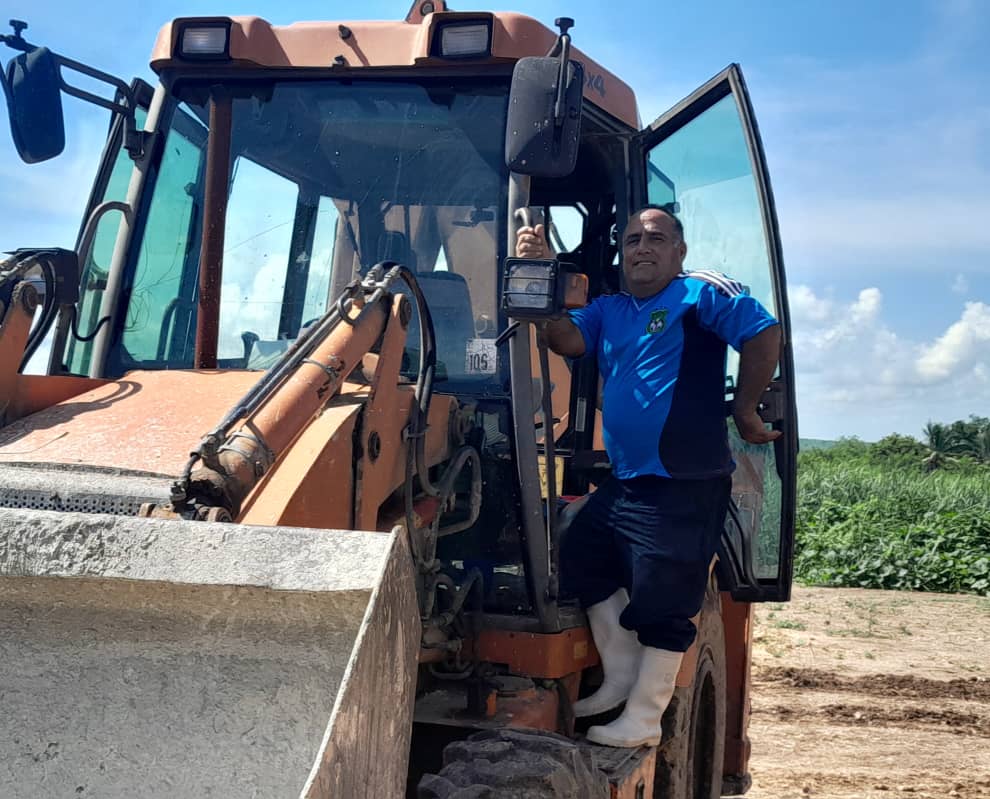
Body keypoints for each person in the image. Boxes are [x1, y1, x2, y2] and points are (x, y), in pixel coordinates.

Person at [515, 205, 781, 748]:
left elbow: (762, 332)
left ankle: (644, 719)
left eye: (657, 238)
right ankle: (618, 678)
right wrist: (540, 274)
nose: (643, 247)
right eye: (633, 238)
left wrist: (748, 409)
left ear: (679, 252)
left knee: (665, 600)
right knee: (576, 561)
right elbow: (564, 340)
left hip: (683, 481)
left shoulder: (697, 295)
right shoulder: (609, 308)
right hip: (629, 482)